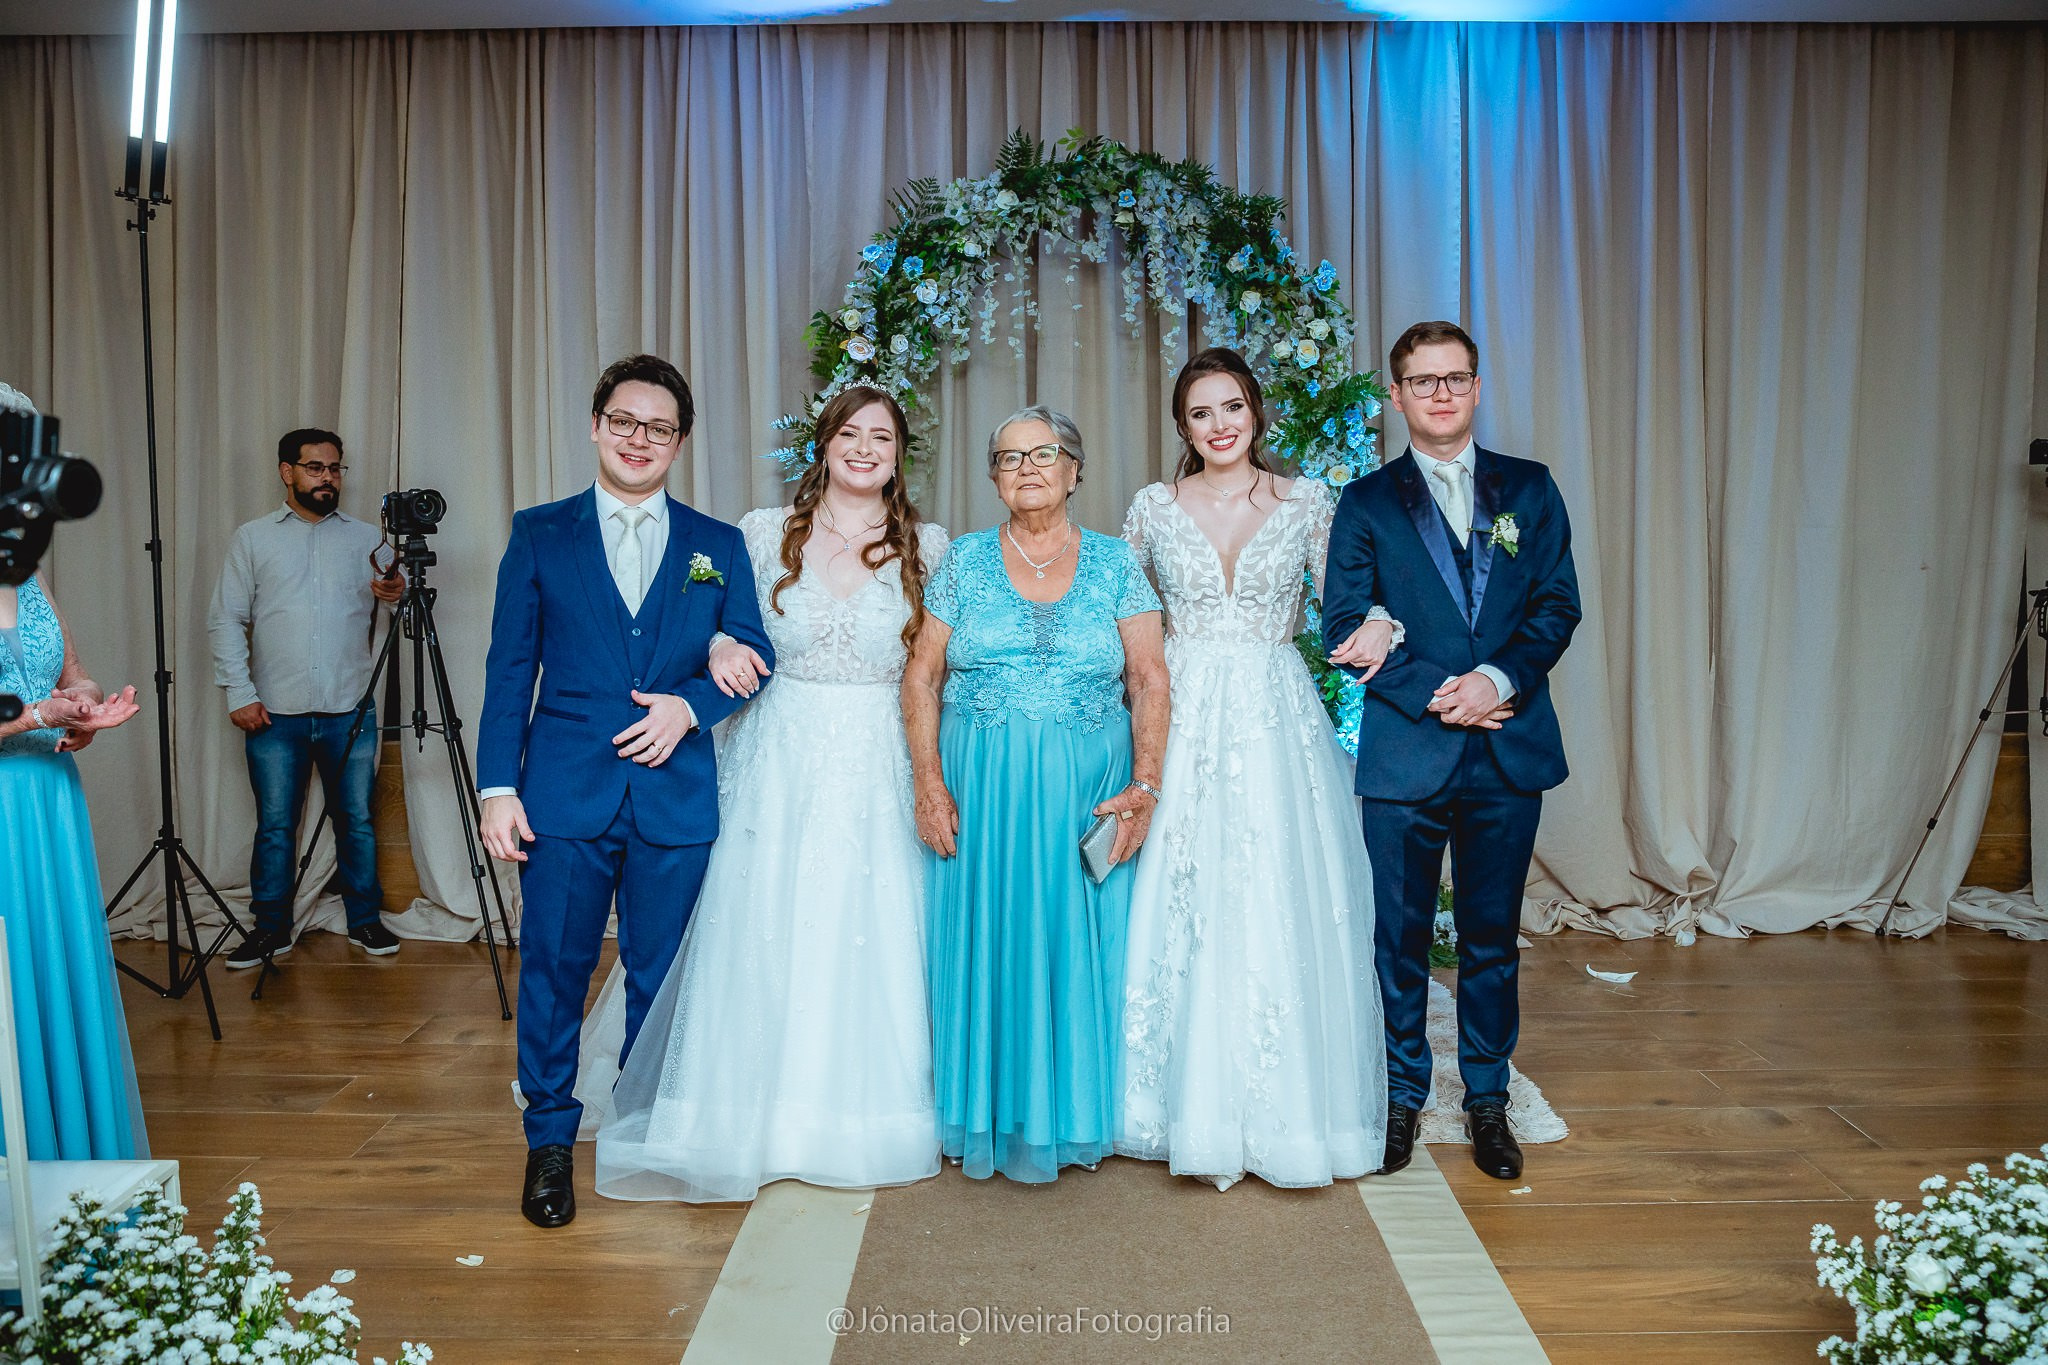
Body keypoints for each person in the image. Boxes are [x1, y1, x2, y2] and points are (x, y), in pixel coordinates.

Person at [591, 385, 947, 1202]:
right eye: (849, 433)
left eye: (881, 438)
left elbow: (935, 667)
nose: (864, 448)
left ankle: (858, 1115)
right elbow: (702, 614)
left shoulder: (930, 545)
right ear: (822, 445)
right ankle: (735, 1107)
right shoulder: (756, 533)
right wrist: (717, 640)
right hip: (776, 755)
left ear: (899, 457)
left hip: (877, 759)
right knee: (760, 922)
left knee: (871, 926)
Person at [478, 353, 775, 1228]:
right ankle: (549, 1142)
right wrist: (499, 788)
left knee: (663, 978)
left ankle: (649, 1134)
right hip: (562, 793)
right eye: (624, 421)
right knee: (555, 974)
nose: (639, 439)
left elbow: (756, 652)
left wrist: (691, 702)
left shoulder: (718, 546)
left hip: (674, 799)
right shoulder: (539, 533)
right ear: (596, 425)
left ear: (679, 441)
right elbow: (508, 672)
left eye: (659, 427)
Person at [1115, 347, 1395, 1191]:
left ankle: (1287, 1102)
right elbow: (1122, 618)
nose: (1220, 424)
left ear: (1256, 412)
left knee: (1277, 887)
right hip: (1183, 704)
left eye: (1232, 406)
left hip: (1277, 712)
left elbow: (1346, 596)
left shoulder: (1308, 500)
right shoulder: (1152, 508)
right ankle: (1164, 1102)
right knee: (1181, 886)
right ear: (1182, 427)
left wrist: (1382, 619)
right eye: (1201, 413)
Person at [1323, 321, 1581, 1182]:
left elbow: (1556, 606)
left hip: (1508, 749)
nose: (1441, 393)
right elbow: (1342, 623)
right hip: (1407, 754)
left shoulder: (1531, 490)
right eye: (1423, 381)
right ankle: (1402, 1094)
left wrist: (1498, 679)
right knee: (1396, 937)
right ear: (1395, 395)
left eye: (1456, 378)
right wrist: (1448, 690)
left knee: (1491, 937)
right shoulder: (1363, 503)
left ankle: (1485, 1099)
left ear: (1476, 386)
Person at [903, 406, 1169, 1185]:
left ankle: (1077, 1112)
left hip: (1088, 792)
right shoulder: (964, 561)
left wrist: (1145, 784)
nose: (1027, 468)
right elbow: (922, 673)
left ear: (1075, 469)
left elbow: (1149, 677)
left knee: (1078, 938)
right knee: (990, 936)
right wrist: (927, 782)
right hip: (982, 789)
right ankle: (987, 1111)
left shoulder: (1119, 564)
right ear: (992, 477)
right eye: (1009, 457)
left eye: (1044, 453)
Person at [0, 379, 149, 1159]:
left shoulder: (25, 569)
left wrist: (84, 705)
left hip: (49, 805)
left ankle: (73, 1190)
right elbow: (28, 706)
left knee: (53, 990)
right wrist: (33, 719)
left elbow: (70, 670)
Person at [208, 428, 404, 968]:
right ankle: (270, 929)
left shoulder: (370, 540)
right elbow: (226, 619)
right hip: (274, 712)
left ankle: (365, 921)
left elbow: (390, 624)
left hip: (350, 709)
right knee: (275, 824)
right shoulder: (253, 538)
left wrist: (395, 595)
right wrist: (239, 693)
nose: (328, 478)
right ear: (286, 471)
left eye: (335, 468)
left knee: (357, 820)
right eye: (316, 468)